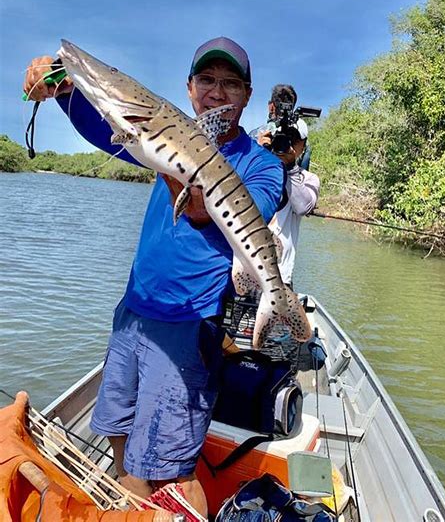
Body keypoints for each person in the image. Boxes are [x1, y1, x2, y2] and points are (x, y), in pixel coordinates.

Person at [23, 37, 285, 517]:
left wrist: (179, 162)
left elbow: (218, 210)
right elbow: (106, 131)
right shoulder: (156, 138)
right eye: (207, 80)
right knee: (120, 434)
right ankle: (131, 500)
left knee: (171, 470)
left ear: (247, 95)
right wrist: (60, 87)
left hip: (189, 326)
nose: (217, 91)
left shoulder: (263, 165)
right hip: (132, 314)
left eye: (230, 83)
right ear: (189, 88)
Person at [252, 84, 320, 286]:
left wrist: (290, 166)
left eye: (294, 140)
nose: (287, 145)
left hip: (280, 278)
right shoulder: (256, 164)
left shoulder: (308, 179)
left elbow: (303, 207)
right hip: (247, 270)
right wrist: (256, 154)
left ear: (303, 147)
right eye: (282, 140)